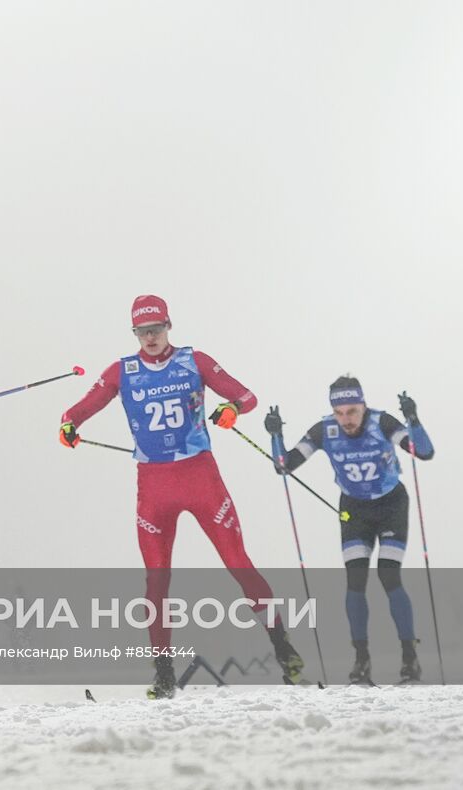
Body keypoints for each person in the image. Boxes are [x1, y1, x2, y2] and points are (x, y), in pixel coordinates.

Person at [59, 295, 305, 699]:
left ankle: (283, 648)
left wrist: (230, 411)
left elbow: (246, 397)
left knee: (238, 563)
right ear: (135, 333)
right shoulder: (123, 371)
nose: (151, 337)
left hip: (200, 478)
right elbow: (84, 407)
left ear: (169, 325)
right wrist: (68, 423)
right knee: (156, 581)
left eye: (156, 329)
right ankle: (163, 674)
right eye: (143, 331)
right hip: (154, 487)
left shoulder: (195, 361)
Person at [265, 377, 435, 684]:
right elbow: (283, 466)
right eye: (340, 412)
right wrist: (276, 434)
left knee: (388, 574)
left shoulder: (381, 422)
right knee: (355, 582)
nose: (347, 420)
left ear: (363, 405)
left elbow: (423, 452)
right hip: (354, 509)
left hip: (391, 505)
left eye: (353, 411)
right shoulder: (325, 430)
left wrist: (413, 418)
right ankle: (361, 659)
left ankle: (410, 657)